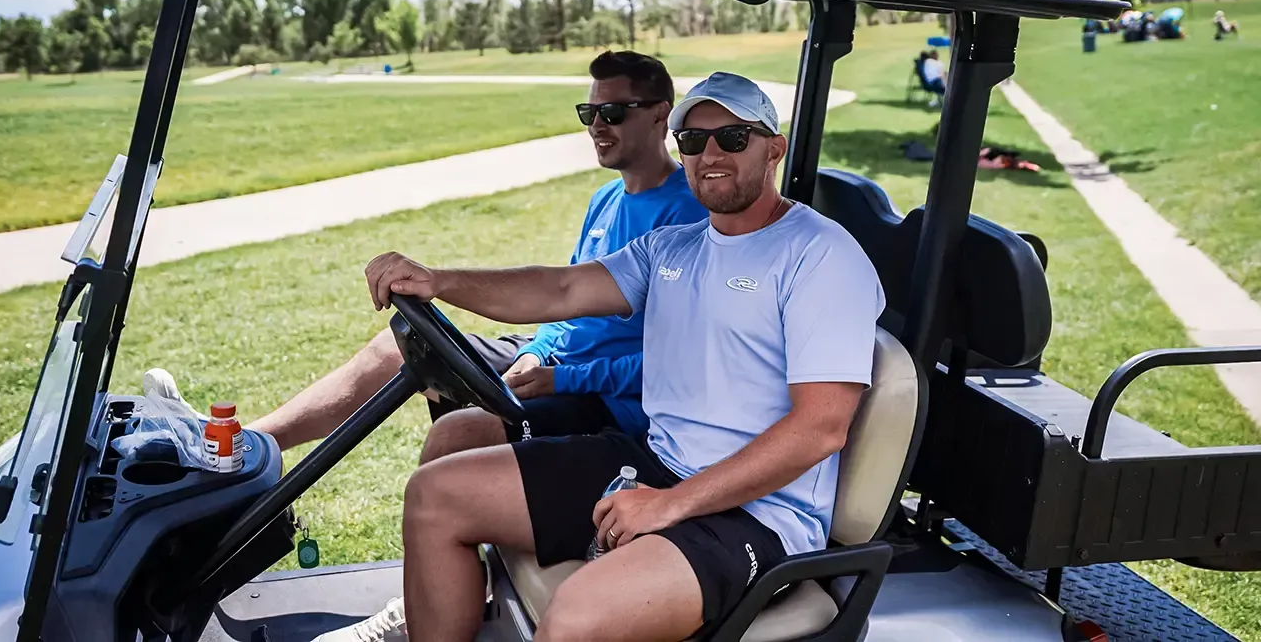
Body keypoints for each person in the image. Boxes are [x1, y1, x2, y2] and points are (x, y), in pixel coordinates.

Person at [360, 72, 883, 642]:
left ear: (772, 148)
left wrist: (670, 505)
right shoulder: (674, 246)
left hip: (759, 516)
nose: (710, 154)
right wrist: (439, 280)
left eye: (733, 138)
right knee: (436, 495)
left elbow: (819, 429)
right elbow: (559, 290)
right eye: (693, 141)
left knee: (579, 615)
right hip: (658, 464)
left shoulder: (821, 256)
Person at [305, 51, 705, 642]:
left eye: (613, 111)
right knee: (409, 357)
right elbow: (564, 295)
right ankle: (248, 446)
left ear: (659, 117)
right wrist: (538, 352)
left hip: (614, 404)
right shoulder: (607, 200)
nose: (598, 125)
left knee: (457, 432)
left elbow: (676, 362)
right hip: (563, 367)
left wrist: (563, 379)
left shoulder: (687, 219)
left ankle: (426, 608)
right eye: (588, 111)